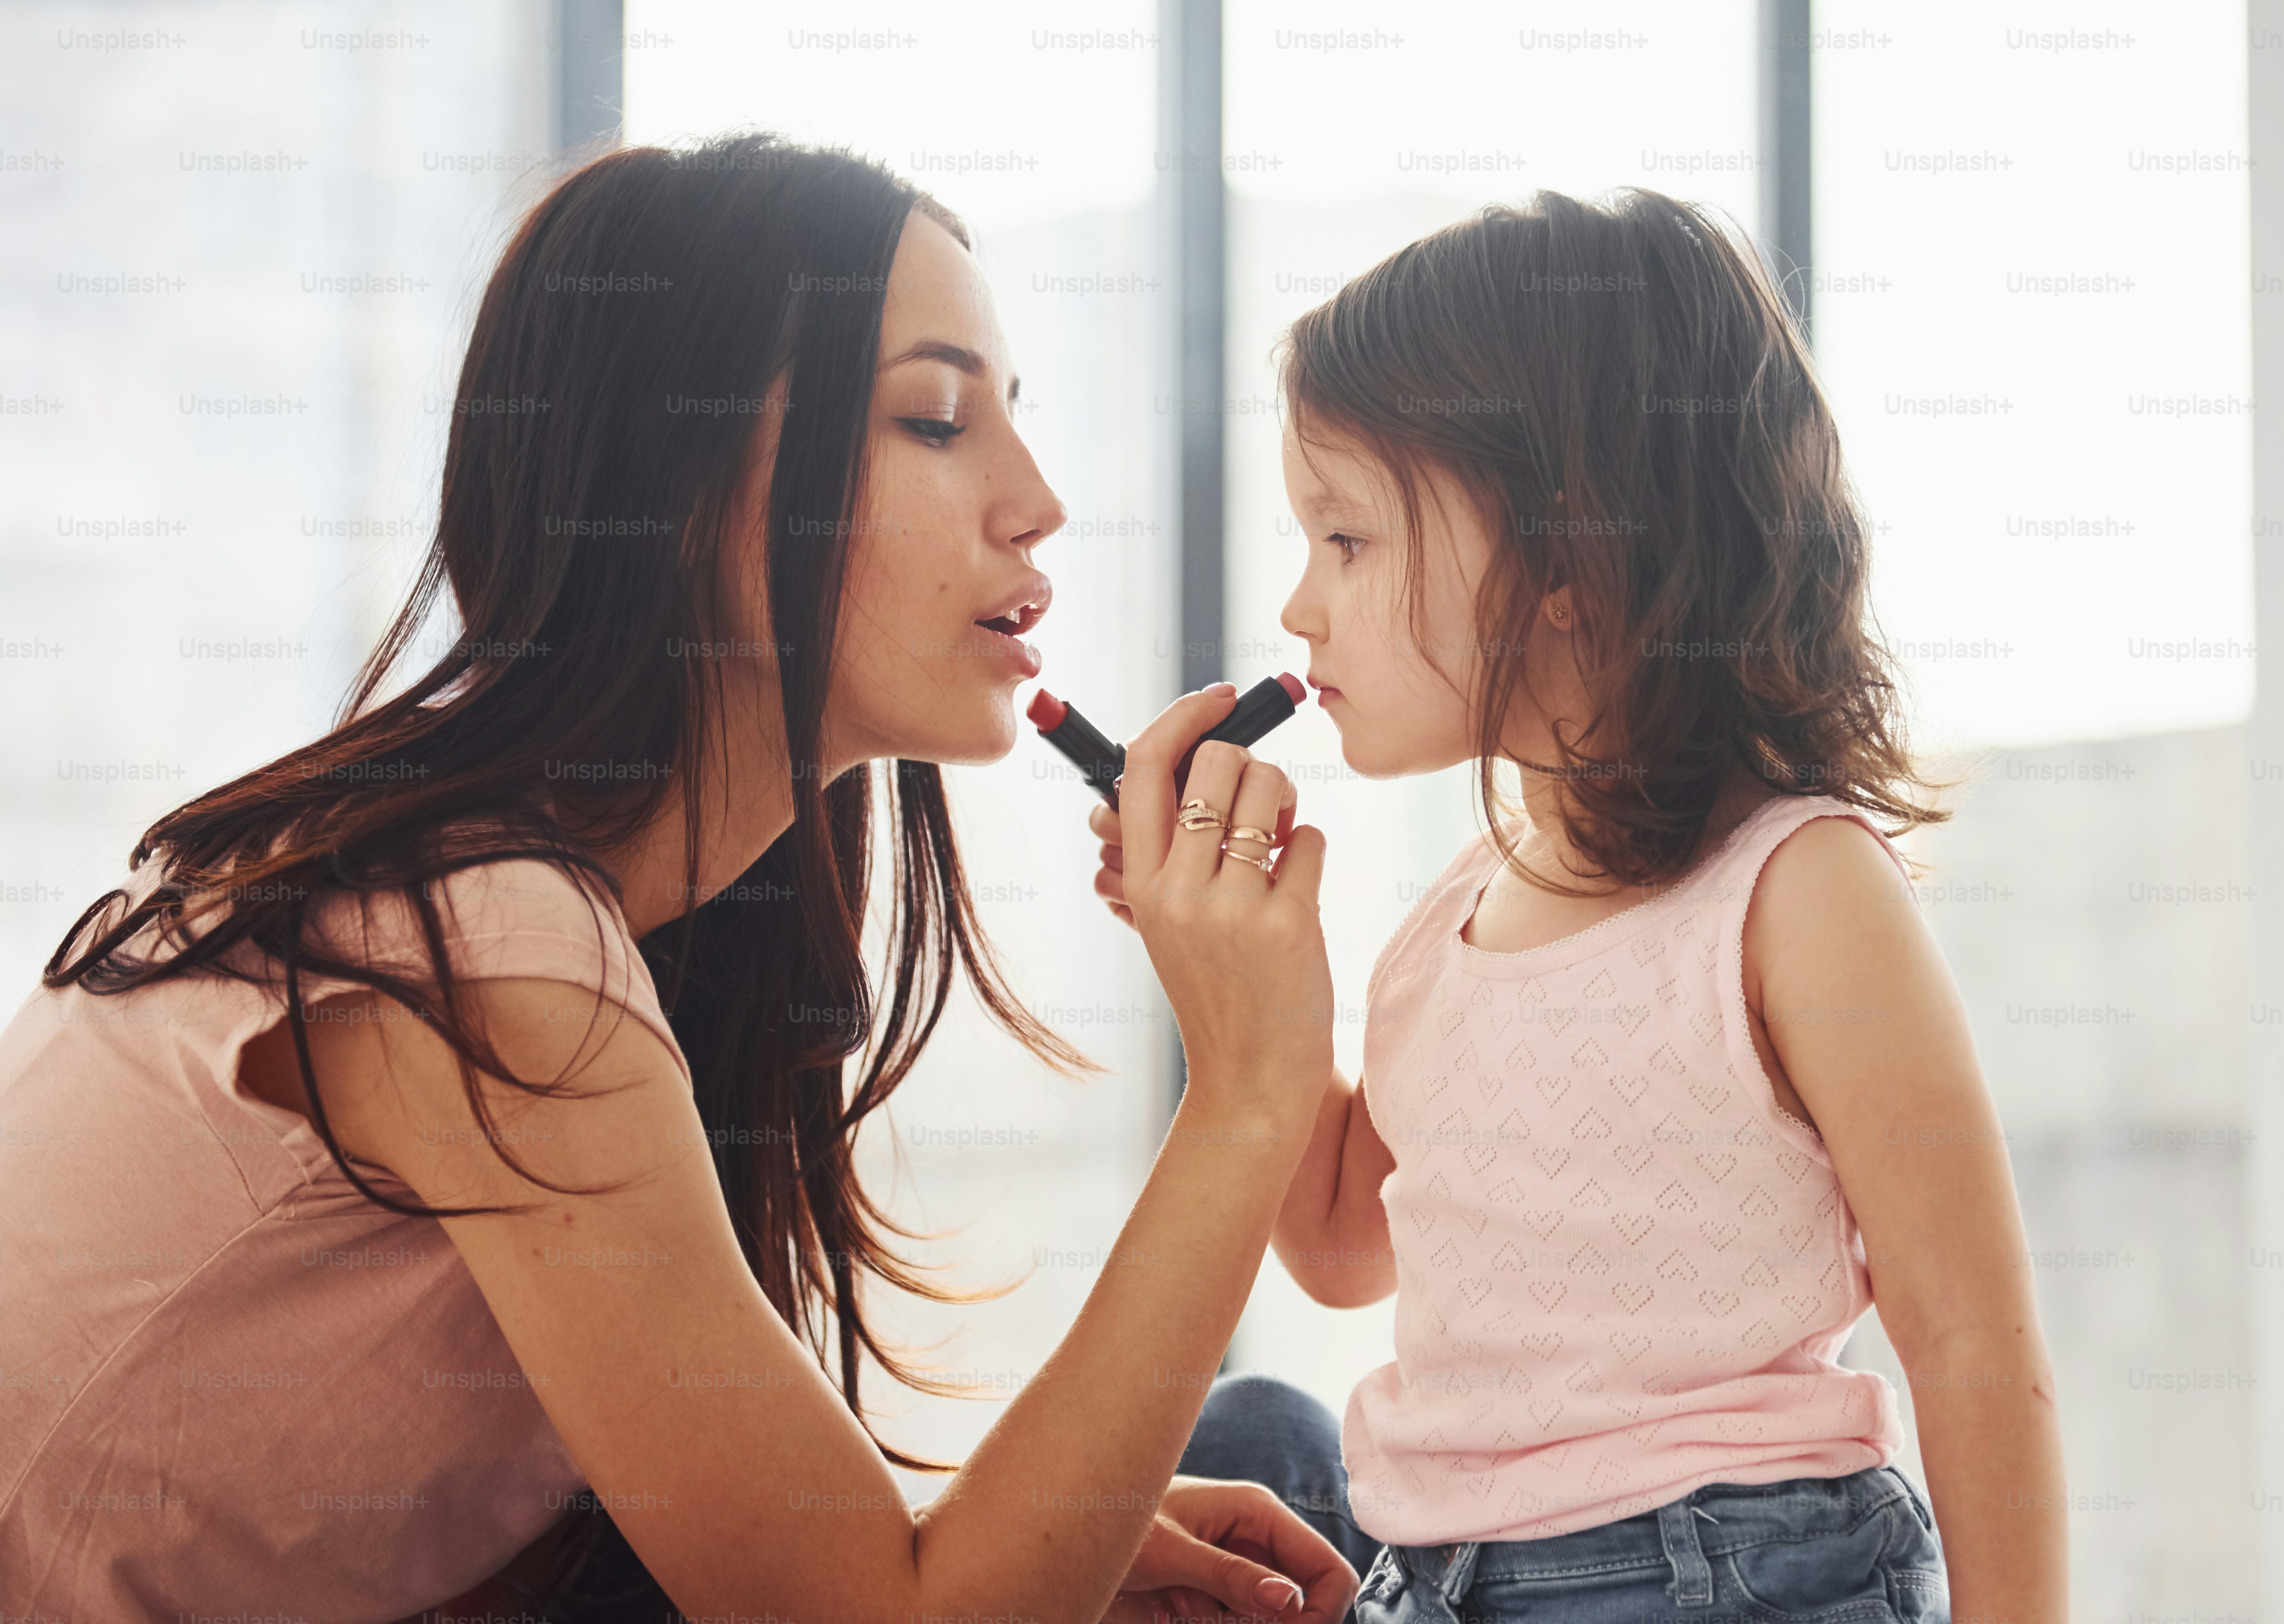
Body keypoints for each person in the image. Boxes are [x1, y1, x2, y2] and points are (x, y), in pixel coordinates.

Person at [0, 133, 1358, 1623]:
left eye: (1012, 420)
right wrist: (1248, 1089)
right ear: (686, 477)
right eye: (930, 419)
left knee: (1248, 1469)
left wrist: (1031, 1538)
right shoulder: (485, 952)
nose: (1035, 500)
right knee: (1269, 1461)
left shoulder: (571, 906)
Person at [1087, 189, 2069, 1623]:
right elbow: (1341, 1244)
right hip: (1445, 1573)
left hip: (1723, 1574)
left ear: (1565, 566)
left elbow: (1972, 1336)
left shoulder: (1798, 892)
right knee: (1241, 1439)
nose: (1297, 607)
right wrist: (1233, 968)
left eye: (1346, 539)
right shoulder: (1456, 915)